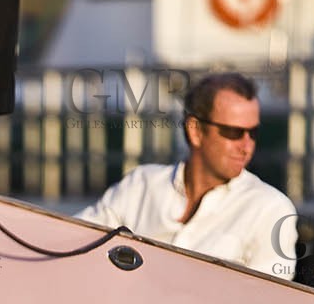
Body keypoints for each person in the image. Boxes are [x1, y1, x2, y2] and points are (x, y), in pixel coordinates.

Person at [78, 73, 297, 280]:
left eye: (253, 133)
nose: (247, 146)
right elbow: (74, 240)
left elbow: (269, 302)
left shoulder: (271, 209)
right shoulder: (140, 185)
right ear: (195, 131)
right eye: (234, 132)